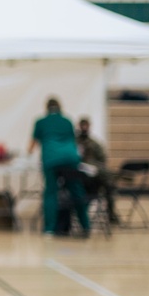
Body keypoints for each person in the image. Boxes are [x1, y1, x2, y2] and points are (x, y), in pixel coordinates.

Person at [28, 97, 90, 237]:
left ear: (46, 108)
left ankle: (49, 229)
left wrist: (27, 154)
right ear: (59, 107)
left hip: (51, 159)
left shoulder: (40, 122)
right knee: (76, 190)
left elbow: (32, 146)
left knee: (51, 192)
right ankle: (86, 226)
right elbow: (73, 141)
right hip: (71, 158)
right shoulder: (67, 121)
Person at [76, 117, 119, 223]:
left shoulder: (94, 144)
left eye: (86, 126)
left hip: (94, 177)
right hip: (79, 176)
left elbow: (102, 159)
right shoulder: (74, 143)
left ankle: (111, 212)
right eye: (82, 126)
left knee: (108, 184)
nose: (84, 128)